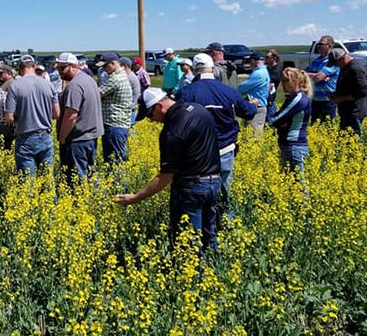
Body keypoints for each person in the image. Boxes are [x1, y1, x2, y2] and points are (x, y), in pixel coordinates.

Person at [114, 88, 222, 251]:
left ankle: (195, 276)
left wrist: (135, 198)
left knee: (189, 243)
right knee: (208, 236)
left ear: (158, 106)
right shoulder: (198, 109)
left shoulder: (172, 131)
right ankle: (213, 270)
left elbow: (166, 176)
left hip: (190, 189)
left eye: (150, 115)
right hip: (214, 183)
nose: (152, 120)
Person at [177, 53, 256, 225]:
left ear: (195, 70)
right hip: (225, 150)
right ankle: (224, 226)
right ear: (213, 69)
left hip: (197, 155)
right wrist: (253, 105)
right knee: (223, 191)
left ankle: (201, 227)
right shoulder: (227, 91)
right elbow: (248, 112)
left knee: (199, 192)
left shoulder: (185, 93)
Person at [5, 55, 60, 175]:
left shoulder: (15, 86)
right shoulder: (49, 85)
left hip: (25, 138)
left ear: (20, 68)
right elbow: (56, 114)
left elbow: (9, 118)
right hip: (45, 136)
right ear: (34, 66)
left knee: (27, 182)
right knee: (47, 178)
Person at [55, 52, 103, 187]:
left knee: (77, 179)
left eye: (62, 68)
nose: (59, 72)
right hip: (90, 137)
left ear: (72, 67)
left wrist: (62, 138)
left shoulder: (74, 86)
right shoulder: (89, 80)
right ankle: (98, 202)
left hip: (77, 140)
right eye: (58, 69)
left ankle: (81, 204)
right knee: (90, 174)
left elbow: (71, 116)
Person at [268, 68, 312, 175]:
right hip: (288, 145)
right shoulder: (291, 98)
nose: (282, 84)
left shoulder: (298, 99)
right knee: (291, 185)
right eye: (282, 80)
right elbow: (279, 120)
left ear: (294, 81)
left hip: (294, 146)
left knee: (299, 186)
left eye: (285, 80)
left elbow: (275, 120)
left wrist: (282, 123)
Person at [97, 52, 133, 163]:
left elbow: (97, 94)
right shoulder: (120, 75)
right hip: (118, 125)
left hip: (114, 125)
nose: (103, 69)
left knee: (113, 163)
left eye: (104, 66)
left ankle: (118, 181)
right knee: (116, 159)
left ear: (113, 63)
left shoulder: (116, 78)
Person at [329, 48, 367, 136]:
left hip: (354, 112)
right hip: (346, 112)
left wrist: (341, 99)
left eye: (336, 63)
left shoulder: (355, 68)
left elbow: (362, 92)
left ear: (341, 59)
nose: (336, 66)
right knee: (344, 142)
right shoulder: (345, 67)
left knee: (352, 142)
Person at [305, 35, 340, 124]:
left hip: (328, 101)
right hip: (316, 100)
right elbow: (302, 75)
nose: (318, 46)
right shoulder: (316, 60)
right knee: (315, 126)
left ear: (329, 46)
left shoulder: (332, 61)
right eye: (318, 44)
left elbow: (318, 77)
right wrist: (317, 75)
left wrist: (316, 76)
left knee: (329, 128)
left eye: (321, 44)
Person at [237, 54, 270, 138]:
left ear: (253, 61)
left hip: (256, 107)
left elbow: (242, 88)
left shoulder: (258, 73)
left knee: (252, 136)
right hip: (259, 106)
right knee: (254, 134)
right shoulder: (264, 71)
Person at [119, 56, 141, 126]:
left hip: (129, 110)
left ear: (125, 66)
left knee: (130, 132)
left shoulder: (129, 78)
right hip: (129, 109)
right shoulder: (129, 76)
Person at [265, 49, 282, 117]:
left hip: (270, 99)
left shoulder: (277, 70)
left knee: (270, 120)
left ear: (274, 58)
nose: (265, 59)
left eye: (267, 57)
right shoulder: (266, 69)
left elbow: (271, 84)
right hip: (264, 98)